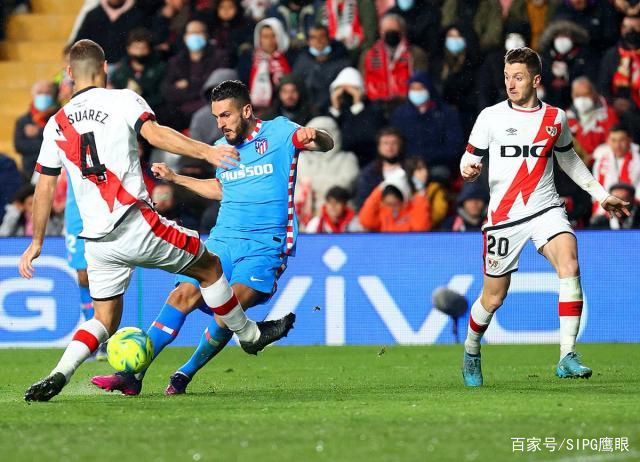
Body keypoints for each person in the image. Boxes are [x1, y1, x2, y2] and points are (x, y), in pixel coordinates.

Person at [21, 40, 295, 402]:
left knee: (103, 319)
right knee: (210, 266)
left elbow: (44, 187)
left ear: (69, 73)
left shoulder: (56, 123)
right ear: (105, 67)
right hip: (135, 223)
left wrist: (37, 241)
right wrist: (206, 150)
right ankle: (250, 335)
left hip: (97, 243)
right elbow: (156, 134)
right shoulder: (123, 100)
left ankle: (60, 372)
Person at [91, 79, 333, 395]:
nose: (220, 123)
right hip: (223, 240)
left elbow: (325, 144)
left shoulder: (280, 132)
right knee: (182, 296)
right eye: (216, 116)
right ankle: (132, 375)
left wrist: (315, 134)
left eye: (226, 115)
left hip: (265, 246)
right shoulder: (222, 148)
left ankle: (184, 374)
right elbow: (221, 189)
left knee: (228, 312)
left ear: (246, 110)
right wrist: (177, 178)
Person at [459, 47, 629, 387]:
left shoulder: (555, 118)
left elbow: (569, 159)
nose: (510, 84)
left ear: (536, 80)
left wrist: (600, 195)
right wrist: (469, 169)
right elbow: (468, 158)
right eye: (507, 77)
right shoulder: (491, 117)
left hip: (546, 208)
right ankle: (472, 348)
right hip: (505, 217)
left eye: (518, 77)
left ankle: (567, 355)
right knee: (493, 298)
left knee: (570, 263)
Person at [160, 19, 230, 132]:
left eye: (199, 32)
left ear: (206, 35)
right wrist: (195, 88)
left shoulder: (219, 56)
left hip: (206, 107)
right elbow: (167, 89)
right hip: (179, 111)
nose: (195, 36)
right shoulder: (176, 61)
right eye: (192, 33)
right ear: (185, 37)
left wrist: (187, 85)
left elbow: (212, 86)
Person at [295, 116, 358, 225]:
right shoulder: (301, 159)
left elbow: (343, 186)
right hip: (306, 221)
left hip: (339, 219)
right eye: (315, 135)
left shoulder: (347, 158)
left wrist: (311, 184)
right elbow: (295, 190)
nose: (319, 139)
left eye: (324, 135)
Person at [359, 13, 427, 114]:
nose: (389, 34)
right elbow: (362, 82)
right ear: (380, 32)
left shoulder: (415, 54)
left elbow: (421, 83)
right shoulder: (368, 55)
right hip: (375, 106)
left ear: (402, 32)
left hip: (406, 105)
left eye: (393, 30)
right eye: (386, 30)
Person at [328, 67, 383, 166]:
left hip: (364, 159)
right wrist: (335, 108)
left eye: (351, 89)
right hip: (336, 161)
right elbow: (329, 131)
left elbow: (367, 134)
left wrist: (357, 105)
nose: (346, 94)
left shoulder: (373, 109)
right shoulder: (331, 110)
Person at [599, 13, 640, 143]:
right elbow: (603, 85)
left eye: (636, 27)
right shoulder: (611, 55)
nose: (631, 32)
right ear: (622, 29)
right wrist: (613, 102)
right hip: (619, 106)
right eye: (628, 28)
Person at [291, 25, 351, 114]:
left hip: (336, 110)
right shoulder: (301, 61)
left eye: (322, 36)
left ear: (328, 39)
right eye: (313, 37)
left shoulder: (342, 61)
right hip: (306, 111)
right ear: (308, 42)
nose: (318, 41)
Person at [237, 18, 292, 114]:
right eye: (265, 37)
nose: (270, 41)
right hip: (252, 111)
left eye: (273, 36)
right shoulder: (249, 59)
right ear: (259, 39)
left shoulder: (289, 58)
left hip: (281, 110)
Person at [110, 28, 166, 112]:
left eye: (143, 48)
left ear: (150, 49)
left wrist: (140, 99)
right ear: (128, 48)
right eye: (136, 48)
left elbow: (162, 96)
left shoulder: (160, 69)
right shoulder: (120, 71)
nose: (139, 52)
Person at [72, 0, 147, 63]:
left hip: (125, 68)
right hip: (96, 66)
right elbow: (79, 42)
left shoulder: (138, 16)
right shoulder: (93, 15)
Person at [566, 76, 619, 165]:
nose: (581, 99)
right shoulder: (566, 117)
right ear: (572, 95)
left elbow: (614, 142)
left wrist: (594, 157)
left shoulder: (608, 115)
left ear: (594, 94)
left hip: (602, 163)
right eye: (577, 95)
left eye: (585, 94)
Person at [358, 170, 431, 232]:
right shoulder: (383, 212)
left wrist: (420, 194)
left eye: (395, 204)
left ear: (403, 202)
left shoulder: (411, 210)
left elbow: (421, 227)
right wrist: (380, 188)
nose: (392, 208)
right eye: (388, 204)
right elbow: (365, 221)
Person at [591, 125, 640, 218]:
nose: (617, 145)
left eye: (622, 140)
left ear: (629, 140)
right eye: (613, 140)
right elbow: (596, 190)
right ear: (608, 141)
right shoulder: (601, 161)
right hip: (606, 210)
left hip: (633, 210)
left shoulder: (638, 159)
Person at [14, 80, 59, 179]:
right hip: (29, 172)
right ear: (33, 94)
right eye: (39, 92)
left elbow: (60, 142)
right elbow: (19, 146)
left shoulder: (58, 117)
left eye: (47, 93)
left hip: (54, 173)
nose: (43, 96)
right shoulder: (23, 120)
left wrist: (38, 132)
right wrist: (45, 143)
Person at [354, 127, 404, 209]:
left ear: (400, 145)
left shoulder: (409, 169)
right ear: (379, 146)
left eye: (394, 143)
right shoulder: (368, 174)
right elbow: (362, 203)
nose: (390, 147)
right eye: (385, 143)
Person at [404, 156, 448, 229]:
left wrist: (421, 195)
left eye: (425, 168)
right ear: (410, 173)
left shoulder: (435, 189)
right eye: (419, 169)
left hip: (428, 232)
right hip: (404, 232)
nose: (425, 172)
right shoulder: (403, 191)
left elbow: (438, 215)